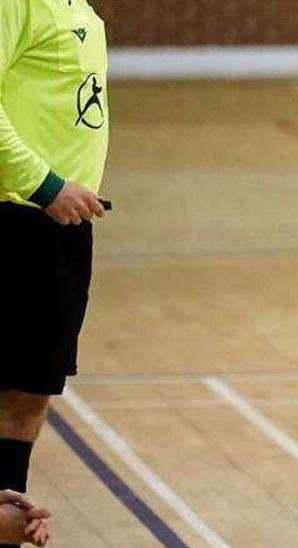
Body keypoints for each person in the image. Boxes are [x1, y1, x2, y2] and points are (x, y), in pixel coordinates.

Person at [1, 2, 111, 546]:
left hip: (63, 226)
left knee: (27, 396)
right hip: (19, 216)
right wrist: (44, 186)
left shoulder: (80, 7)